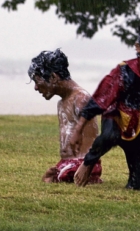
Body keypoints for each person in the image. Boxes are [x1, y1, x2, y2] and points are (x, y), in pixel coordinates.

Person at [70, 13, 140, 190]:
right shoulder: (123, 72)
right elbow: (100, 99)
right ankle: (89, 162)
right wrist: (78, 129)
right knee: (110, 136)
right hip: (117, 119)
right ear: (138, 47)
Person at [28, 49, 101, 183]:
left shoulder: (81, 99)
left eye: (37, 81)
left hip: (84, 163)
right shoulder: (61, 103)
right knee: (51, 177)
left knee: (57, 178)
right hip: (68, 162)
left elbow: (93, 141)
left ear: (53, 77)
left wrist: (87, 165)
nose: (36, 87)